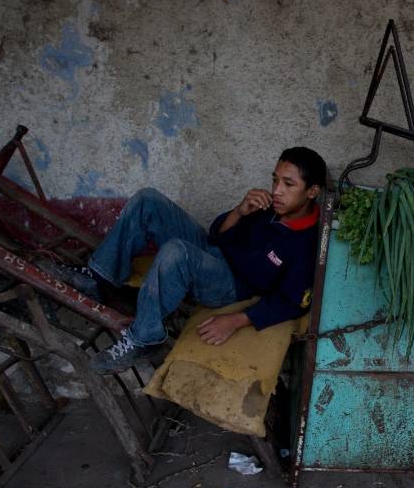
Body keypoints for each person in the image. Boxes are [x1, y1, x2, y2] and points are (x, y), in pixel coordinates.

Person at [53, 147, 326, 374]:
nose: (277, 190)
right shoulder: (271, 207)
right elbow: (217, 235)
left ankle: (145, 337)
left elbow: (291, 302)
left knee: (176, 252)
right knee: (148, 199)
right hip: (213, 251)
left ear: (312, 192)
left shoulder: (307, 245)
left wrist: (236, 320)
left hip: (229, 283)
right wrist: (240, 210)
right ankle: (99, 278)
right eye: (274, 179)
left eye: (288, 184)